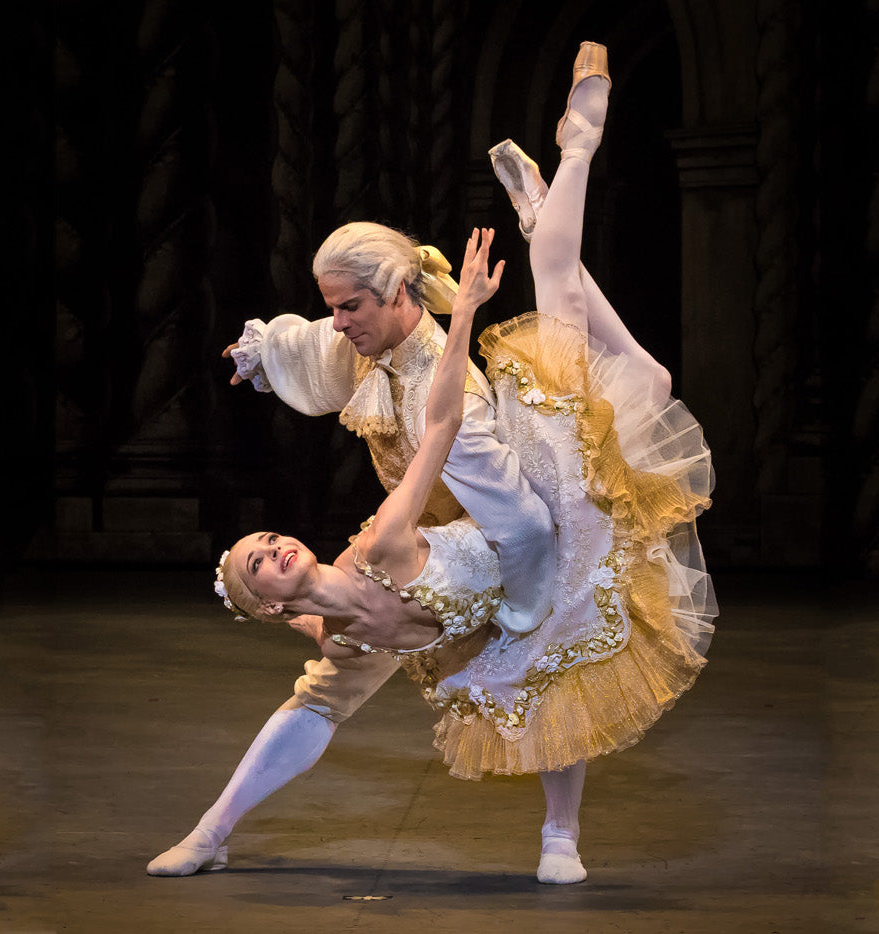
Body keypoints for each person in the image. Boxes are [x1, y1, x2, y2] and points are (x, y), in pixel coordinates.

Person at [150, 40, 716, 884]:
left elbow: (513, 513)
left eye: (350, 307)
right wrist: (265, 354)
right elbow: (321, 348)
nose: (337, 322)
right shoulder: (369, 342)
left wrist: (533, 595)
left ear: (399, 296)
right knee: (325, 689)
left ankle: (575, 152)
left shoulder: (449, 403)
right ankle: (212, 829)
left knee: (559, 641)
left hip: (501, 521)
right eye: (332, 308)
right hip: (415, 560)